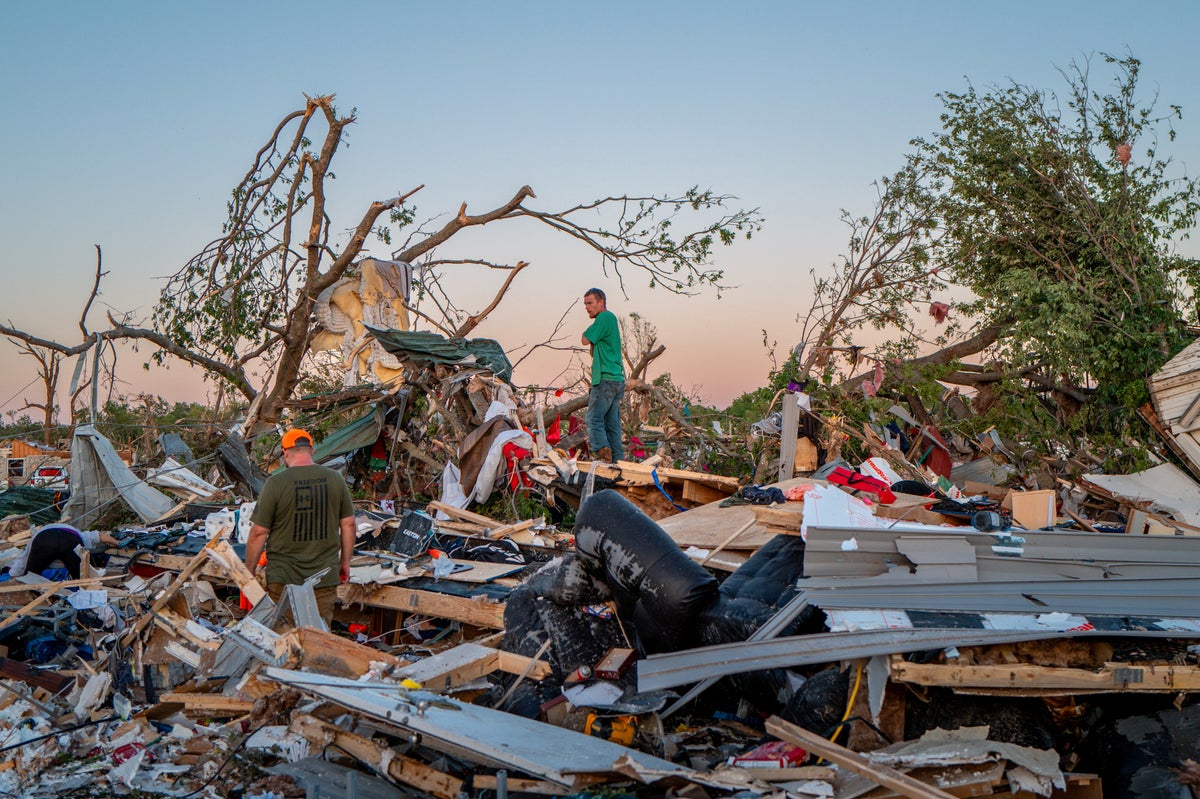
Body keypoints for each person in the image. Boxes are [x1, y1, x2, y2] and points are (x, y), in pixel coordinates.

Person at [246, 429, 356, 624]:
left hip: (284, 579)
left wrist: (249, 569)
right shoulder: (335, 479)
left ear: (285, 452)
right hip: (324, 577)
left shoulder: (275, 483)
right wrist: (345, 562)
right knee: (318, 636)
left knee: (285, 636)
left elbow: (259, 532)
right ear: (312, 450)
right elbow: (348, 523)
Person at [581, 287, 625, 463]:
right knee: (611, 424)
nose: (587, 307)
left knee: (593, 419)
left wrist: (588, 334)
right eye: (585, 304)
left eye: (590, 303)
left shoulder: (604, 317)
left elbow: (585, 339)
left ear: (601, 303)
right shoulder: (610, 319)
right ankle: (618, 461)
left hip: (605, 379)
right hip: (616, 380)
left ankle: (604, 456)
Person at [10, 523, 120, 580]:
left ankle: (28, 594)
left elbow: (23, 560)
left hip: (44, 540)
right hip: (70, 539)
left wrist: (13, 576)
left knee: (30, 576)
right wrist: (119, 543)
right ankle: (83, 597)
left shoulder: (35, 538)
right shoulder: (79, 533)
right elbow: (100, 536)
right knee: (80, 578)